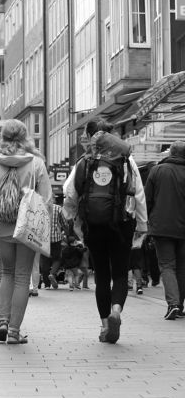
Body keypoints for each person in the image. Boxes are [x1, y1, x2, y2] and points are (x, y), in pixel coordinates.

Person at [63, 121, 147, 344]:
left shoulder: (85, 162)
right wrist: (142, 225)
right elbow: (138, 194)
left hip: (94, 225)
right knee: (120, 273)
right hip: (121, 224)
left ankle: (104, 325)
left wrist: (73, 220)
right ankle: (116, 311)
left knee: (102, 275)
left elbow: (69, 193)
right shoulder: (126, 160)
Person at [0, 119, 52, 344]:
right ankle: (13, 330)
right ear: (25, 137)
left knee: (5, 273)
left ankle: (2, 320)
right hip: (27, 227)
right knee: (22, 277)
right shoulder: (36, 163)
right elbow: (47, 201)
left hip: (2, 227)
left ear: (2, 136)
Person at [144, 140, 185, 320]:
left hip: (161, 227)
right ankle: (180, 304)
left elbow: (147, 200)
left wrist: (146, 223)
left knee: (168, 265)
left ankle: (173, 304)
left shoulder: (157, 171)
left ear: (170, 153)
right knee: (182, 267)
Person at [41, 199, 67, 289]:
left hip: (43, 238)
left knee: (45, 260)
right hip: (56, 238)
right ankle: (52, 274)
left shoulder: (41, 207)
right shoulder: (58, 208)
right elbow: (64, 223)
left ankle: (47, 285)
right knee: (57, 258)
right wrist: (65, 232)